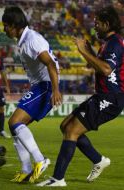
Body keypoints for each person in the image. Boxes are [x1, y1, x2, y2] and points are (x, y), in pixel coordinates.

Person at [37, 6, 124, 187]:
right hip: (102, 96)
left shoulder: (115, 42)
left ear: (107, 24)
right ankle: (98, 160)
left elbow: (107, 69)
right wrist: (89, 50)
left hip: (110, 98)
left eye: (97, 23)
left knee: (71, 131)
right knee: (65, 126)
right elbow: (101, 64)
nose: (95, 27)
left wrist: (83, 51)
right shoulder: (108, 43)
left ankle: (58, 178)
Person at [2, 7, 62, 183]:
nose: (3, 29)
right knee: (15, 129)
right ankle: (26, 168)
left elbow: (50, 64)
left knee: (14, 122)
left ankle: (40, 160)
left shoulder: (31, 40)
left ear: (14, 25)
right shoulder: (24, 40)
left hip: (46, 86)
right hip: (41, 85)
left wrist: (56, 90)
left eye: (6, 25)